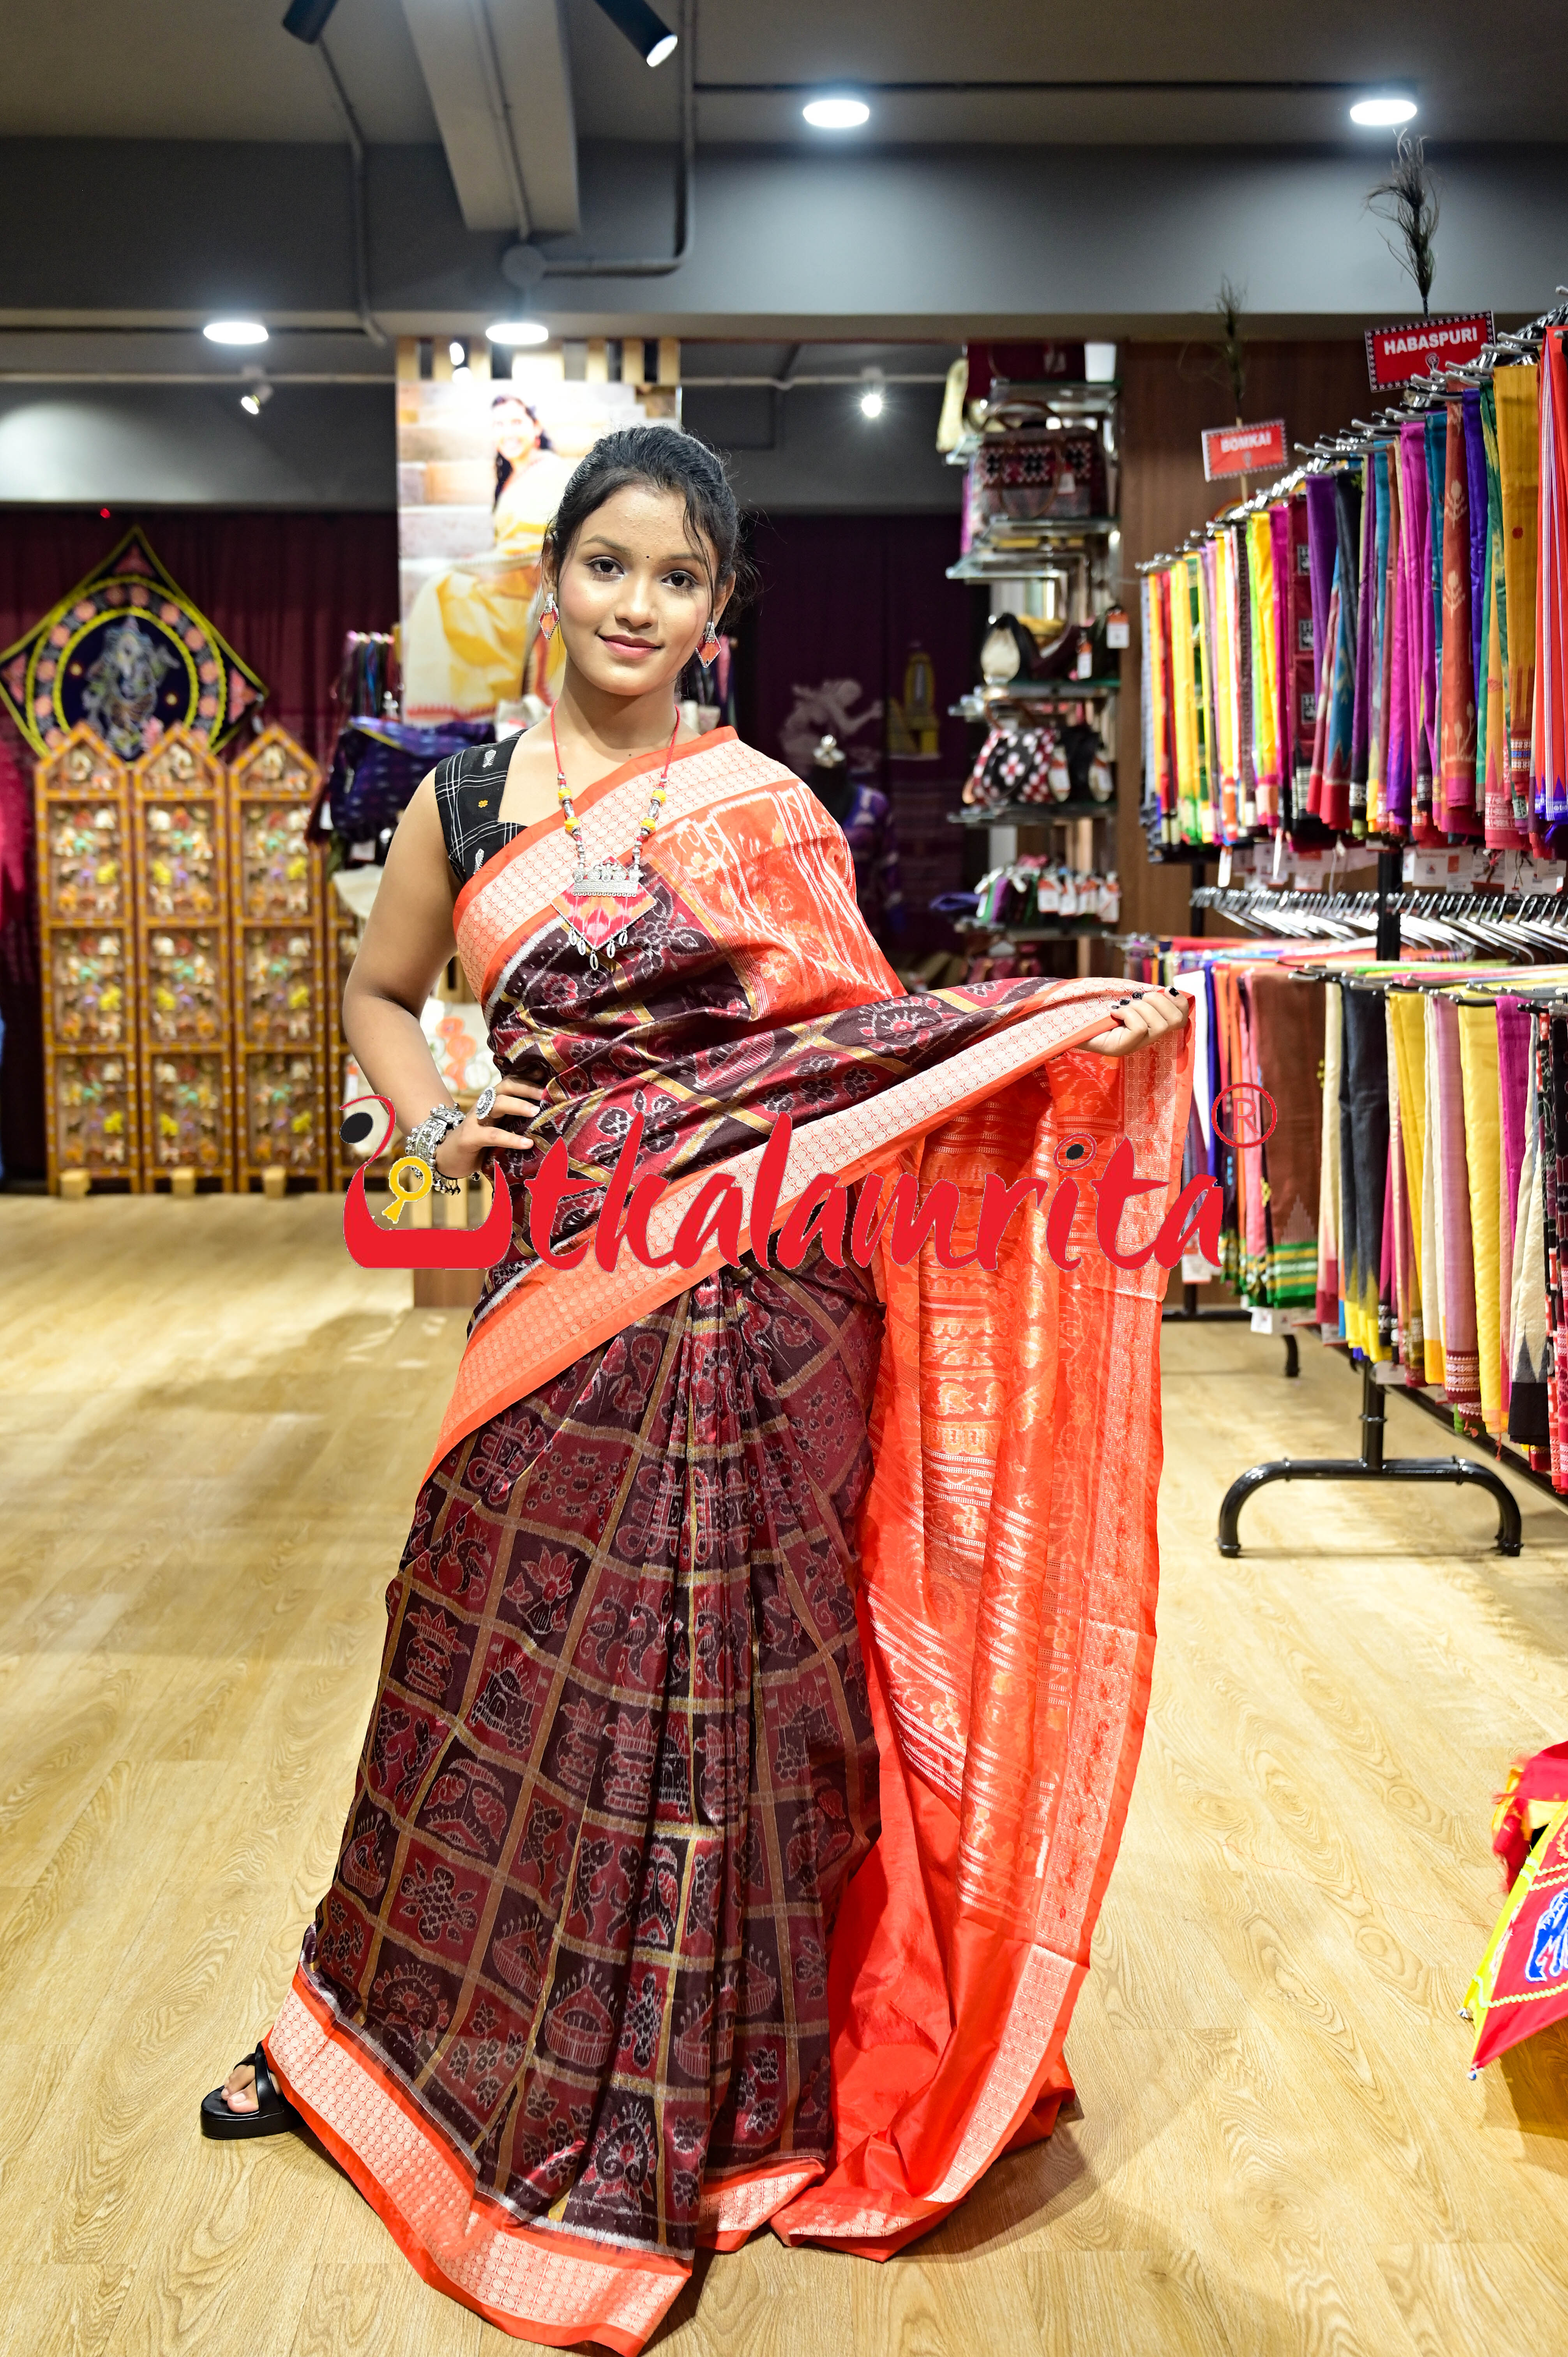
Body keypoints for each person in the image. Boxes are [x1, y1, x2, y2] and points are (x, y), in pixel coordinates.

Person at [201, 422, 1189, 2351]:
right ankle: (384, 2038)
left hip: (763, 1305)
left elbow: (856, 1055)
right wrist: (437, 1120)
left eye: (678, 578)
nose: (636, 606)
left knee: (743, 1683)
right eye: (607, 566)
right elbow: (382, 997)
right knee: (482, 1658)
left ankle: (740, 2090)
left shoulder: (767, 809)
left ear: (719, 609)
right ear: (549, 577)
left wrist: (1055, 1026)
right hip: (553, 1282)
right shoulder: (465, 800)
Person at [403, 390, 575, 722]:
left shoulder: (548, 469)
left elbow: (544, 541)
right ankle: (461, 711)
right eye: (499, 424)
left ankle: (478, 703)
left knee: (442, 591)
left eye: (516, 421)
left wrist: (490, 566)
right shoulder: (513, 477)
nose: (508, 431)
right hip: (509, 578)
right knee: (440, 591)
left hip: (531, 584)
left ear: (535, 426)